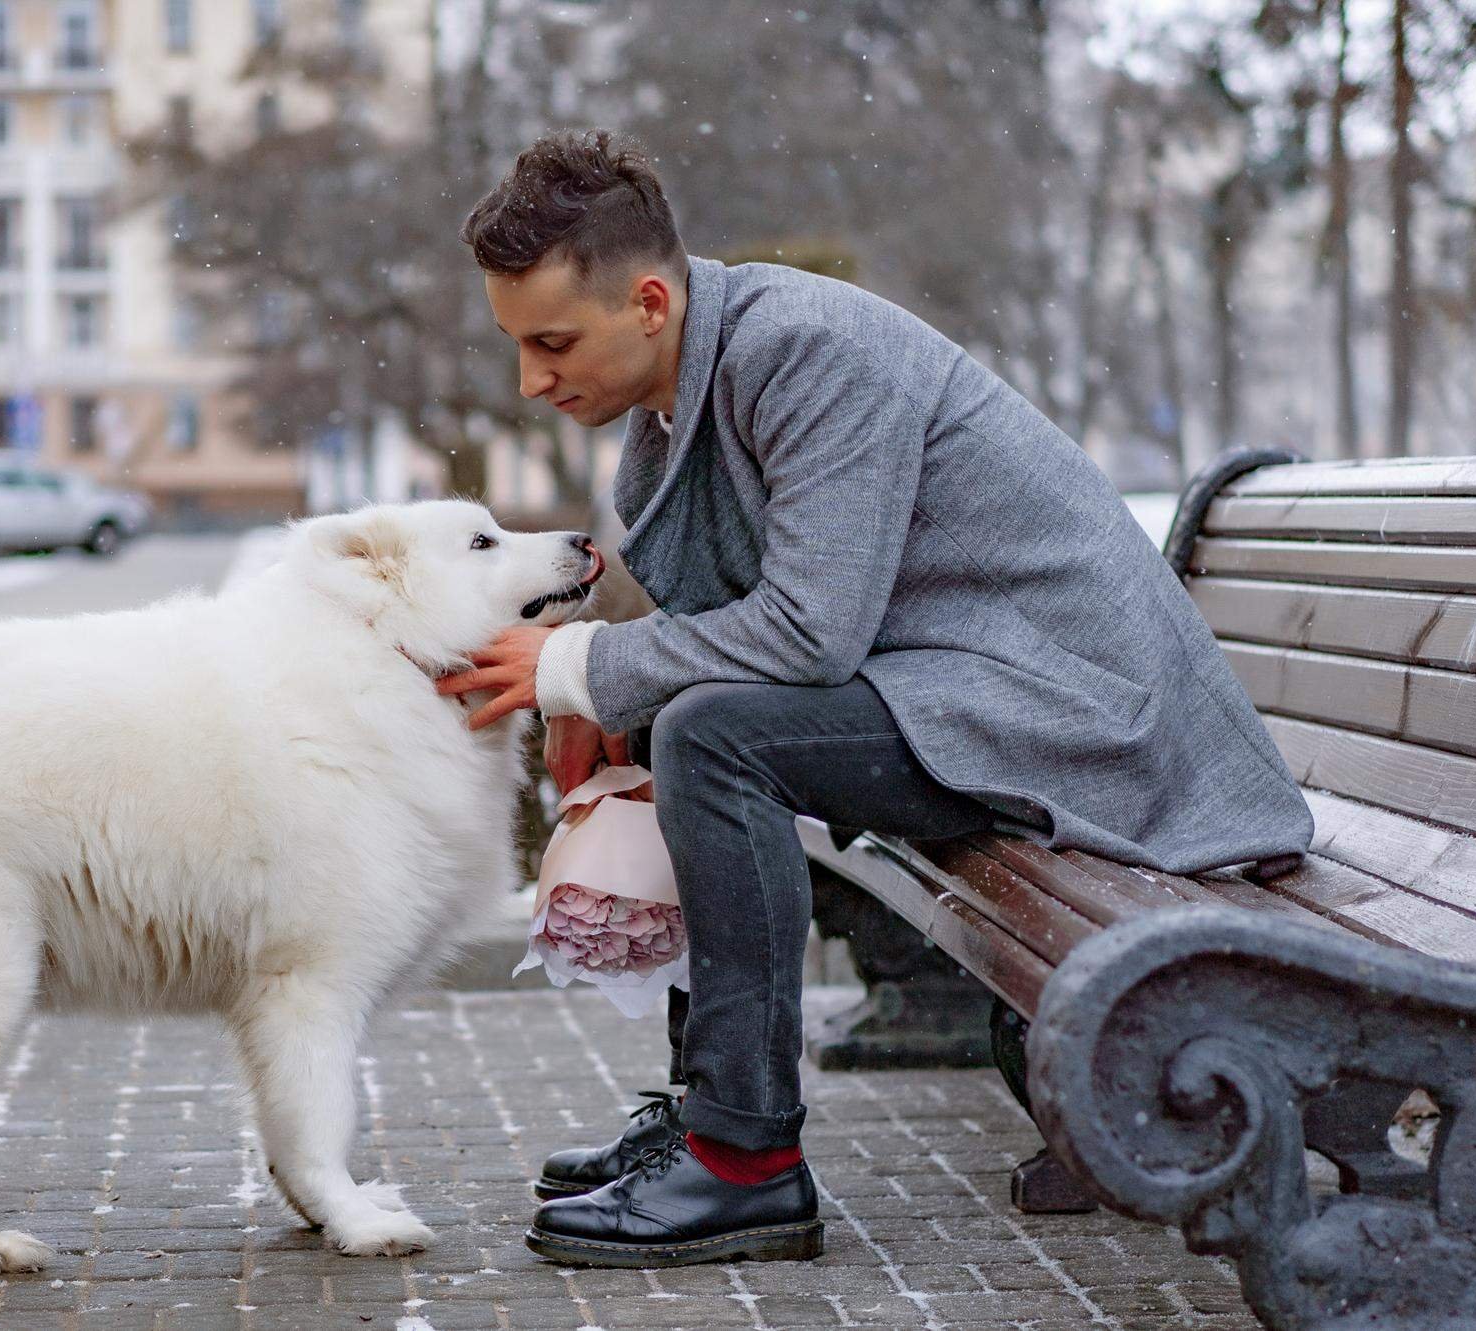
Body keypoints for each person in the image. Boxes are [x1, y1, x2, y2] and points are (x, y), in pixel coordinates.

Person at [430, 128, 1313, 1269]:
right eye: (515, 345)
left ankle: (746, 1164)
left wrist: (578, 667)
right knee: (679, 711)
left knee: (711, 731)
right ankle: (709, 1110)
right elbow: (741, 626)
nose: (531, 380)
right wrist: (607, 681)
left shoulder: (804, 351)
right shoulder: (692, 381)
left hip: (1080, 714)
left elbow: (805, 628)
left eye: (550, 342)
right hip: (966, 687)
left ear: (647, 300)